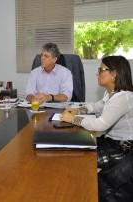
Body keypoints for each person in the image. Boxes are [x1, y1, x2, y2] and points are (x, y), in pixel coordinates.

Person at [60, 55, 133, 201]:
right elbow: (96, 106)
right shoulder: (111, 94)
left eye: (101, 69)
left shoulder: (123, 97)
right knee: (75, 153)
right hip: (112, 141)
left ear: (114, 74)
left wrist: (74, 119)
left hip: (125, 147)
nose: (97, 73)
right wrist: (79, 110)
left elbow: (101, 124)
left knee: (82, 163)